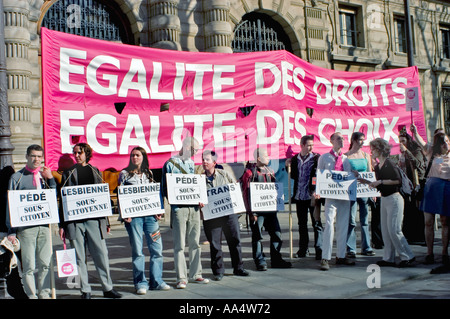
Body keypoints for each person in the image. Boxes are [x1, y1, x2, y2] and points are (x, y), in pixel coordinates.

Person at [59, 143, 122, 299]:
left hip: (94, 220)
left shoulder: (95, 171)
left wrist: (105, 221)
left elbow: (101, 198)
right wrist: (62, 225)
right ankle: (85, 290)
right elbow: (63, 199)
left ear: (87, 153)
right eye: (74, 153)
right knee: (79, 257)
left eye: (79, 152)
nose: (77, 155)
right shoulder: (68, 173)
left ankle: (107, 288)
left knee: (101, 254)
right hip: (75, 222)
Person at [6, 144, 56, 299]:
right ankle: (32, 295)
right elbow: (10, 205)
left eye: (39, 156)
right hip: (26, 229)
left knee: (45, 264)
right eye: (33, 156)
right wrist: (12, 230)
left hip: (44, 227)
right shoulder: (17, 178)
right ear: (27, 157)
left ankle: (44, 294)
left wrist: (51, 179)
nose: (37, 159)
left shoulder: (44, 176)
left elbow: (53, 198)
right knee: (29, 266)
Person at [118, 146, 170, 294]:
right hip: (133, 218)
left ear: (143, 157)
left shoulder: (149, 173)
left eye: (138, 155)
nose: (135, 158)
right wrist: (124, 213)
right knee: (137, 251)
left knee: (157, 249)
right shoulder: (124, 174)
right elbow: (121, 195)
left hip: (150, 218)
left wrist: (159, 210)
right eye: (133, 155)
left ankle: (157, 281)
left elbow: (155, 193)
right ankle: (141, 282)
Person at [161, 136, 209, 289]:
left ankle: (196, 274)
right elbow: (165, 187)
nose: (195, 153)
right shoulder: (170, 164)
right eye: (194, 150)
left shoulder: (191, 164)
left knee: (195, 242)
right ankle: (181, 277)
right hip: (179, 208)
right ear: (187, 147)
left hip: (193, 207)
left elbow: (195, 185)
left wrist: (200, 198)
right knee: (180, 244)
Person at [361, 138, 415, 267]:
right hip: (384, 198)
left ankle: (407, 256)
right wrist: (366, 181)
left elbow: (397, 181)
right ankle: (388, 257)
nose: (371, 151)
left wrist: (380, 182)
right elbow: (380, 184)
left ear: (379, 150)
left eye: (373, 149)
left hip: (394, 198)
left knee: (394, 229)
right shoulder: (378, 165)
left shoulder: (390, 163)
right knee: (385, 230)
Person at [200, 150, 249, 281]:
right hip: (212, 217)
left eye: (207, 160)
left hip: (229, 215)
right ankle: (218, 271)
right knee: (215, 244)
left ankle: (238, 268)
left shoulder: (225, 174)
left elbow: (235, 190)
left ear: (214, 162)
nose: (204, 162)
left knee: (235, 241)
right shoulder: (199, 179)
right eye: (203, 159)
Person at [241, 147, 292, 271]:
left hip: (270, 211)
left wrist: (280, 197)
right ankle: (260, 260)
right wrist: (251, 212)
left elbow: (275, 188)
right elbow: (246, 194)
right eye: (267, 156)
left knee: (276, 234)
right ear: (259, 158)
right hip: (257, 212)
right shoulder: (250, 173)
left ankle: (276, 259)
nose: (269, 158)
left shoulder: (270, 171)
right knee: (257, 236)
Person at [317, 132, 354, 271]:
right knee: (328, 224)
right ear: (331, 140)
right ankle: (325, 257)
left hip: (344, 196)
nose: (342, 140)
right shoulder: (324, 157)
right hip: (331, 195)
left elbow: (348, 176)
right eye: (339, 138)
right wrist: (317, 190)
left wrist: (354, 175)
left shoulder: (345, 159)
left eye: (343, 138)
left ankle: (341, 256)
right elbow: (319, 174)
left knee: (343, 224)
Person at [286, 135, 323, 260]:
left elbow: (317, 176)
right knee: (302, 224)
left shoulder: (316, 158)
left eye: (312, 145)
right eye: (308, 145)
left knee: (316, 223)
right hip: (299, 195)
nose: (311, 147)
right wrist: (287, 167)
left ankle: (319, 249)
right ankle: (303, 249)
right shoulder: (295, 159)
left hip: (312, 195)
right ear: (302, 145)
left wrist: (314, 190)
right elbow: (293, 176)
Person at [420, 133, 450, 267]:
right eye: (443, 142)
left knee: (445, 221)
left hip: (446, 188)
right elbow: (421, 143)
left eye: (448, 141)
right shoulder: (432, 153)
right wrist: (415, 133)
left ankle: (444, 253)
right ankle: (429, 253)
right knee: (428, 222)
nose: (446, 144)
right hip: (431, 189)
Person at [345, 132, 375, 258]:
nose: (362, 142)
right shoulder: (346, 156)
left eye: (363, 140)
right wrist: (351, 172)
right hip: (351, 190)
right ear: (354, 141)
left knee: (365, 220)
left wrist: (373, 191)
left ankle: (366, 246)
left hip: (364, 191)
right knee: (351, 220)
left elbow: (370, 172)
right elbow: (343, 171)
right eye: (360, 140)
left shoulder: (366, 155)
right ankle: (351, 248)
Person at [398, 132, 426, 245]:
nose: (401, 144)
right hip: (407, 184)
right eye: (399, 141)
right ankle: (409, 235)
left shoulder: (417, 150)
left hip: (417, 182)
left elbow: (417, 163)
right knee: (408, 210)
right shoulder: (401, 153)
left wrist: (406, 151)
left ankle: (419, 236)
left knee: (417, 210)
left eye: (403, 141)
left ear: (408, 141)